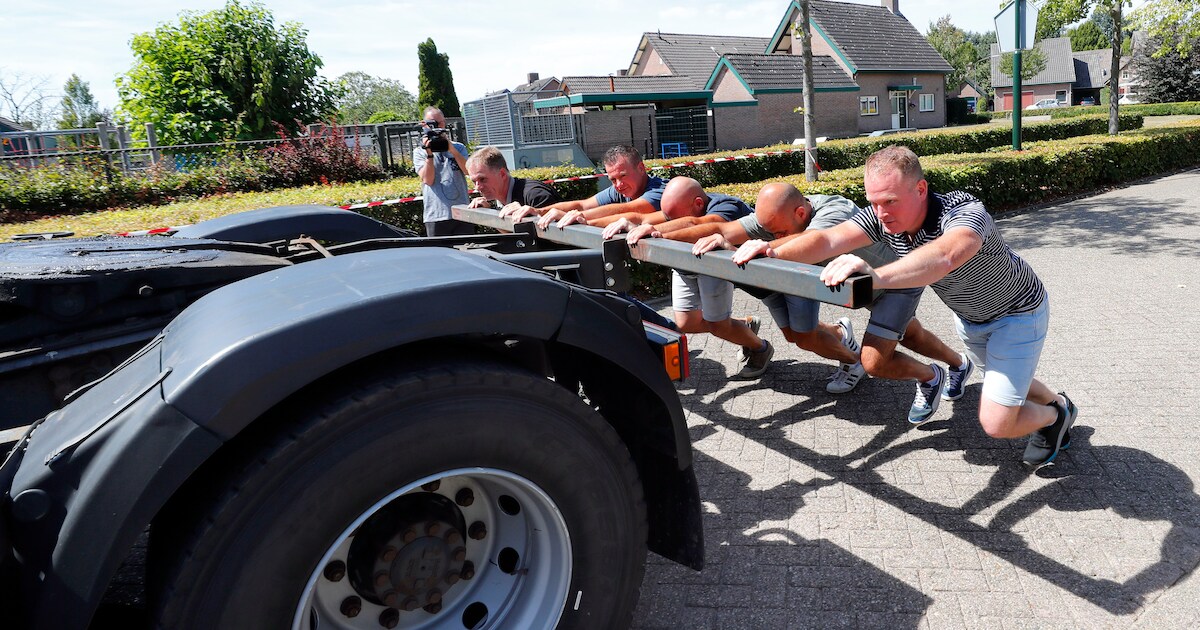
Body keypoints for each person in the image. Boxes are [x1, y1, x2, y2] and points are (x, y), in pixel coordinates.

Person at [735, 146, 1076, 471]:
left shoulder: (964, 213)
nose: (882, 213)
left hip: (1017, 314)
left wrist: (875, 277)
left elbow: (945, 256)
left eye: (891, 201)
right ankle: (1057, 402)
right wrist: (770, 250)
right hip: (971, 319)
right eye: (874, 202)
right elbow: (828, 239)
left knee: (997, 422)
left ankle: (1054, 417)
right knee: (1009, 379)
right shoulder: (882, 218)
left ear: (921, 189)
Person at [678, 183, 964, 395]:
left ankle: (931, 376)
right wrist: (658, 233)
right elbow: (726, 231)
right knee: (911, 335)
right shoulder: (777, 211)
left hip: (894, 282)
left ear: (801, 212)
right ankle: (959, 364)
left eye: (777, 233)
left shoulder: (834, 211)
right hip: (863, 287)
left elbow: (814, 242)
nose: (773, 236)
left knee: (876, 360)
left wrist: (765, 248)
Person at [605, 177, 773, 380]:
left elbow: (701, 224)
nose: (670, 222)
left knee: (718, 325)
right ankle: (744, 327)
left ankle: (760, 348)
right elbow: (643, 219)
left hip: (713, 267)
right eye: (668, 218)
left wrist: (658, 233)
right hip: (686, 267)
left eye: (673, 218)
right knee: (686, 323)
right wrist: (623, 223)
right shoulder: (676, 207)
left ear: (698, 204)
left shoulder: (727, 207)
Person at [499, 146, 666, 228]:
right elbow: (582, 204)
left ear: (641, 168)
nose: (619, 185)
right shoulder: (621, 189)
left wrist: (580, 218)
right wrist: (539, 211)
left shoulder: (659, 191)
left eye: (623, 176)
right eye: (613, 180)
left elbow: (632, 210)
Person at [413, 107, 473, 236]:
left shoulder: (458, 147)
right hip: (436, 216)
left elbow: (468, 171)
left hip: (461, 213)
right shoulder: (419, 152)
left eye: (439, 123)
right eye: (431, 123)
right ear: (424, 124)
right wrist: (429, 155)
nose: (436, 127)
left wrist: (452, 150)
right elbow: (428, 180)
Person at [466, 146, 560, 211]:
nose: (477, 187)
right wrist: (488, 213)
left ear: (502, 174)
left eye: (482, 179)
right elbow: (512, 234)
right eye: (474, 182)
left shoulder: (535, 196)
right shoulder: (499, 196)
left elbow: (557, 236)